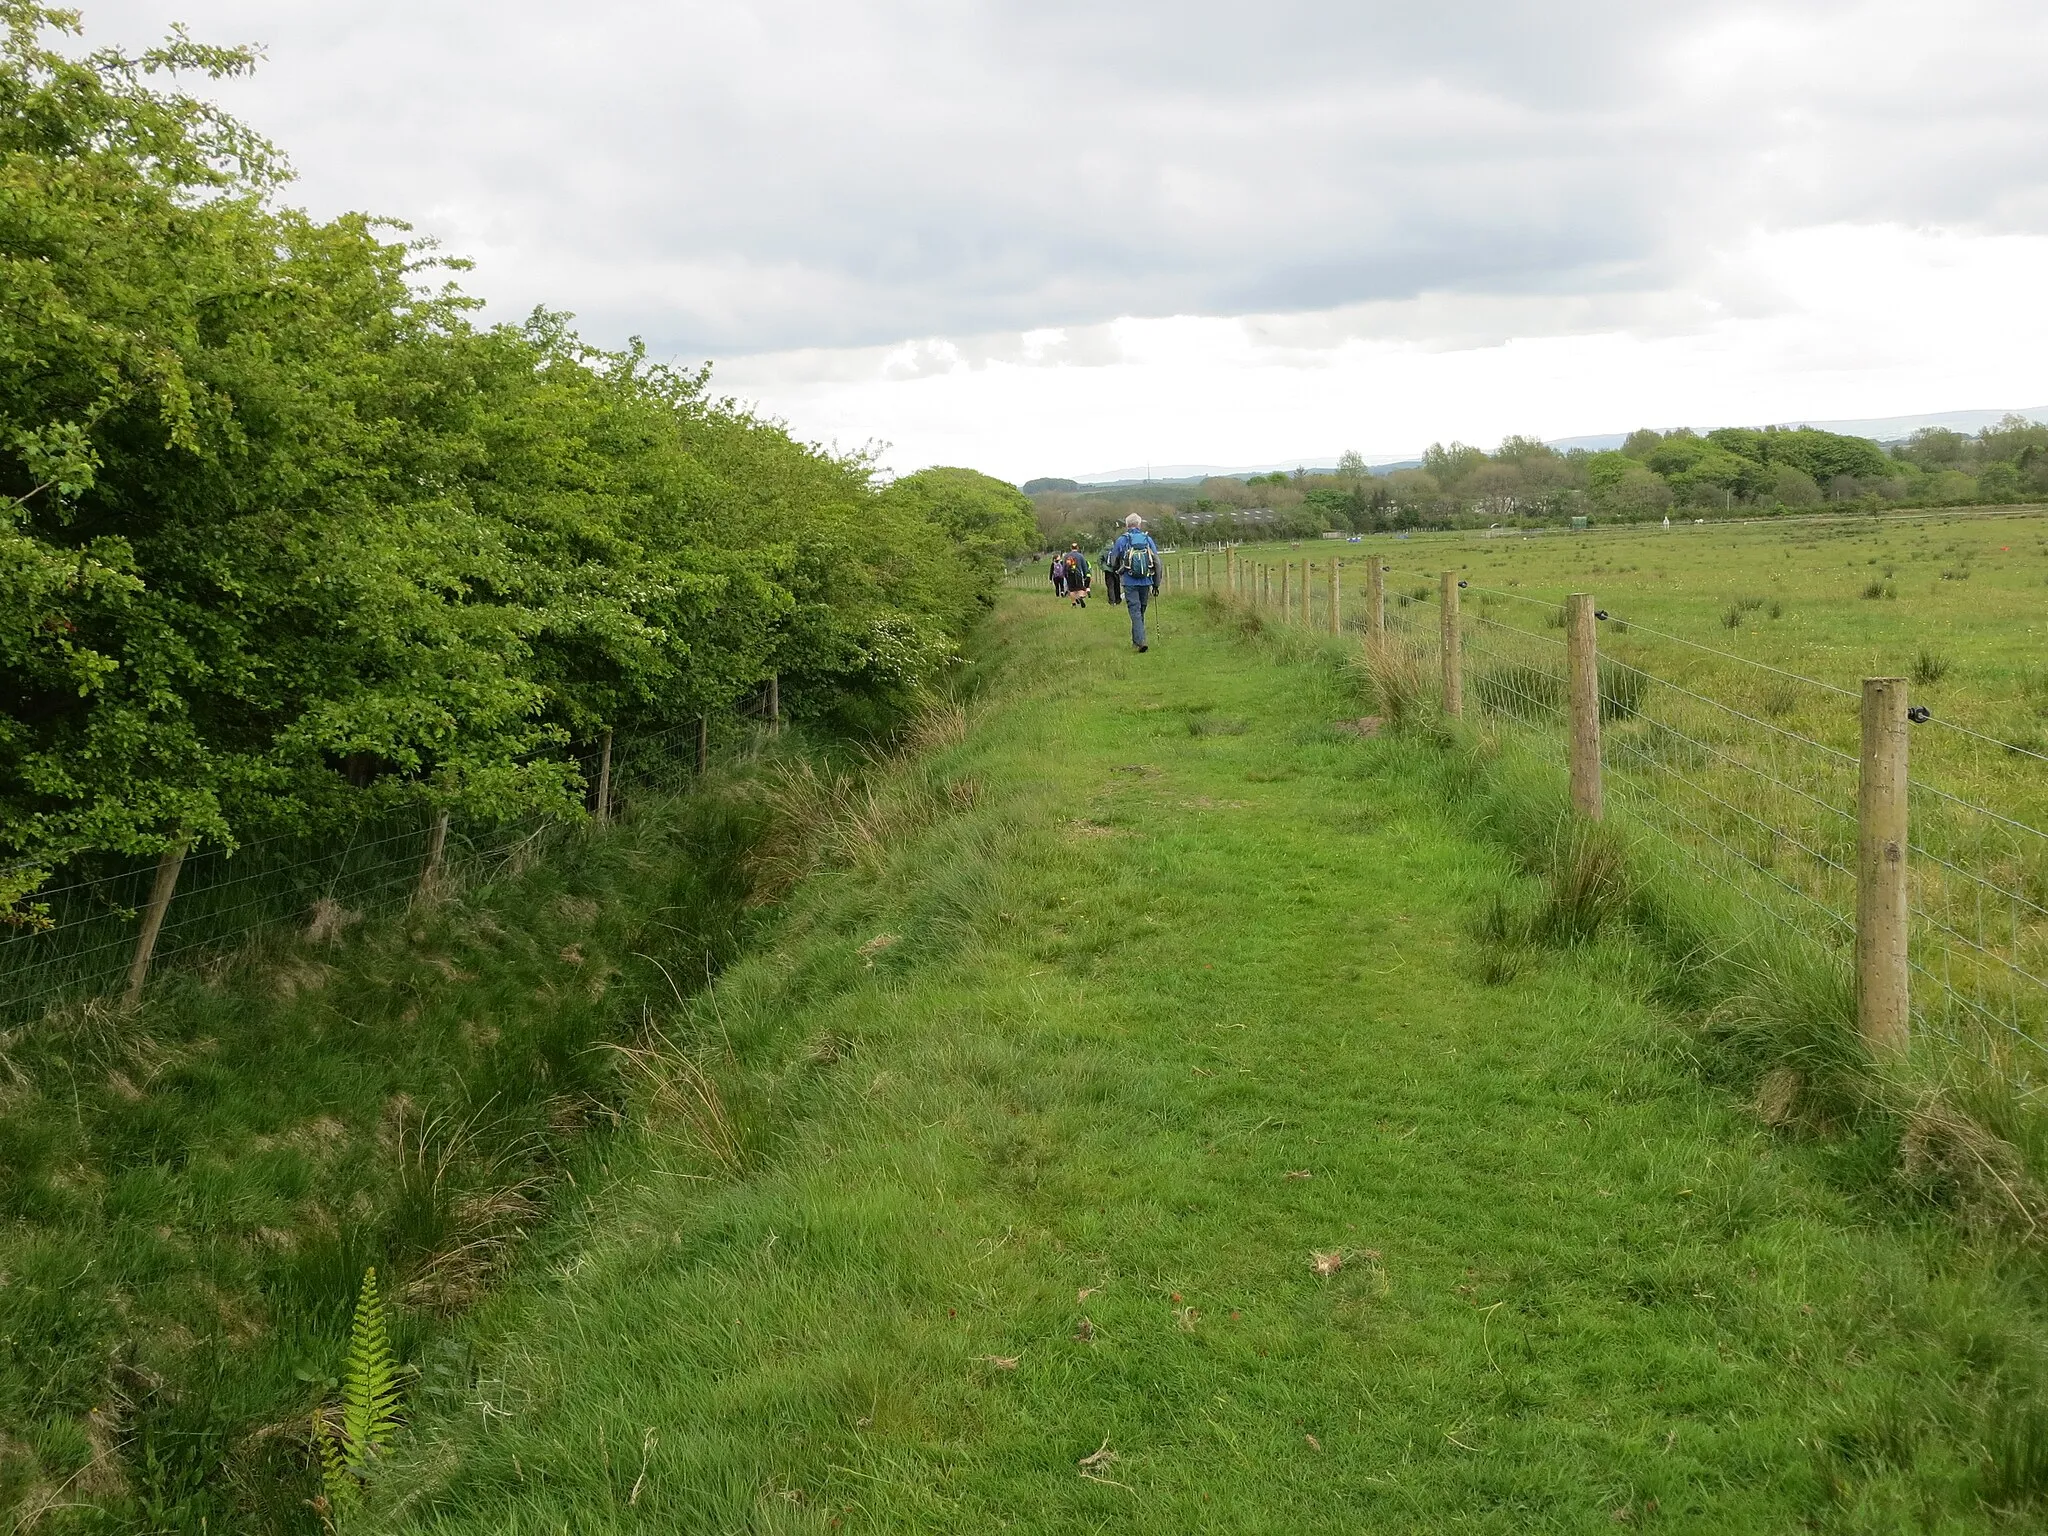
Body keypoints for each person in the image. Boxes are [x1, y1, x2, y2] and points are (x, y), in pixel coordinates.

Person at [1109, 513, 1161, 651]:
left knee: (1135, 611)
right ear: (1139, 524)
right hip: (1146, 580)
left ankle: (1140, 641)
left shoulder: (1121, 540)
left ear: (1126, 525)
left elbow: (1113, 561)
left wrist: (1117, 571)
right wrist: (1156, 583)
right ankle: (1138, 640)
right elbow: (1157, 562)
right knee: (1140, 610)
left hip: (1129, 581)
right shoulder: (1147, 539)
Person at [1100, 540, 1123, 605]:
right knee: (1117, 585)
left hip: (1108, 571)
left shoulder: (1103, 550)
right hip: (1116, 570)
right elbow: (1121, 558)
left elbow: (1099, 559)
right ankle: (1118, 600)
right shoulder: (1116, 549)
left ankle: (1112, 601)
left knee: (1110, 586)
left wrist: (1104, 568)